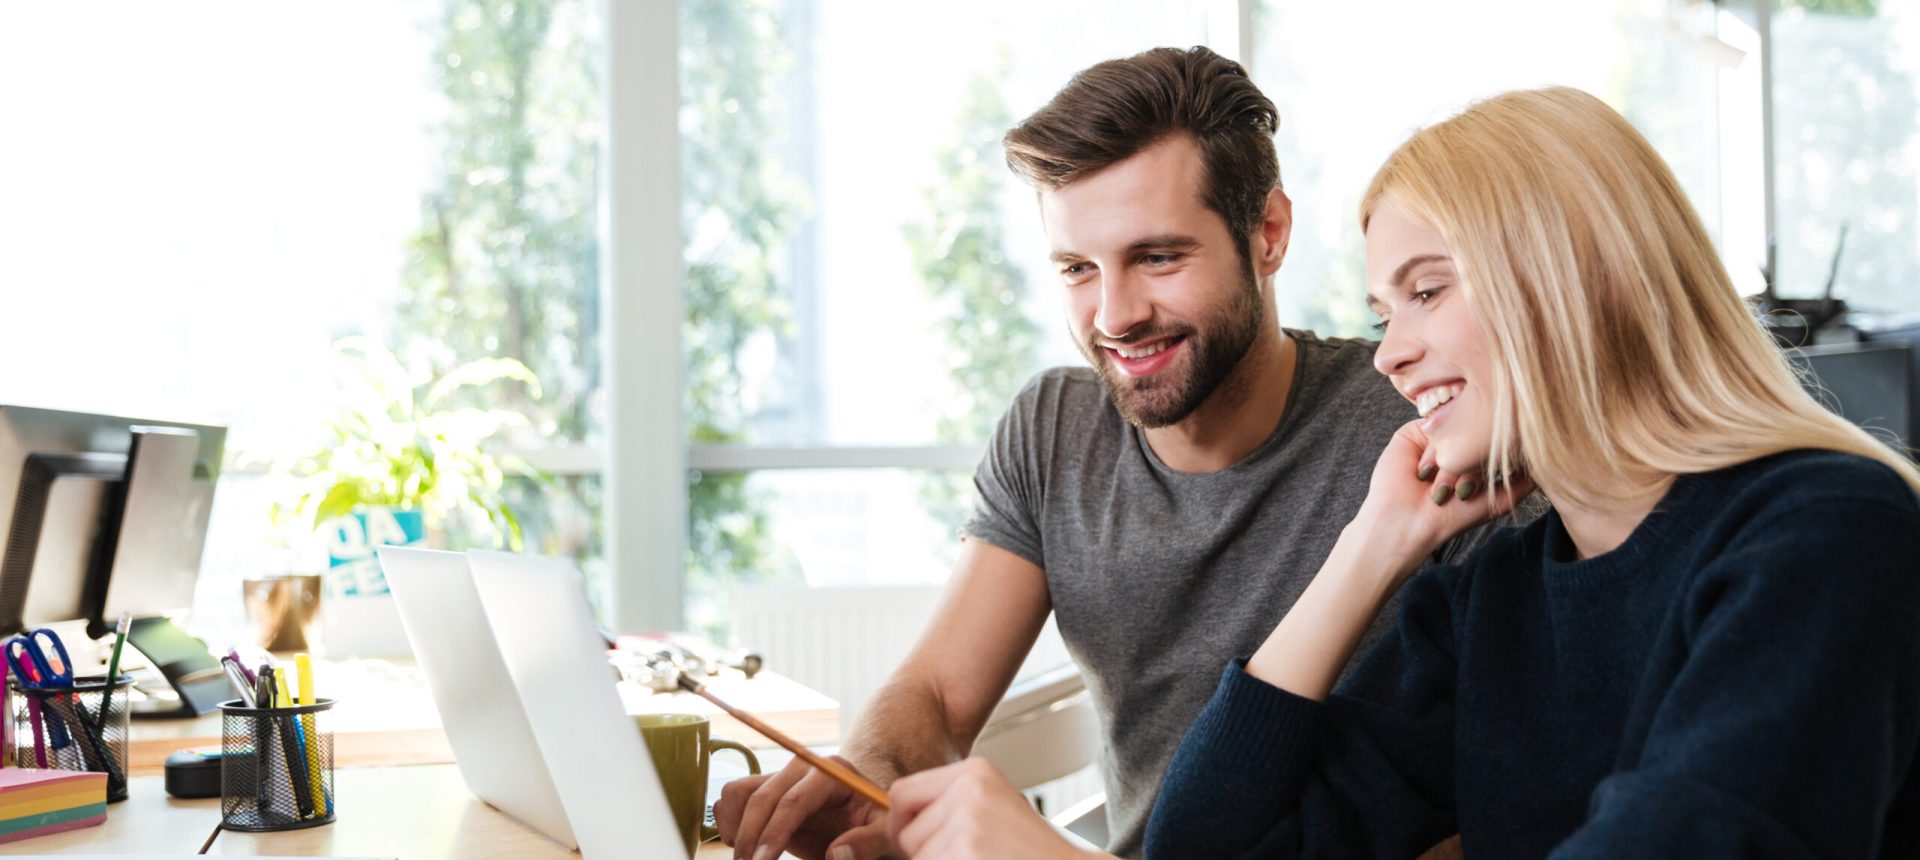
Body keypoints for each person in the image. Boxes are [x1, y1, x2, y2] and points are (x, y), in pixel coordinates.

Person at [882, 85, 1920, 859]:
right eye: (1385, 312)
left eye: (1428, 291)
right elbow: (1206, 847)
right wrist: (1370, 545)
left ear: (1572, 278)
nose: (1391, 352)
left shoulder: (1822, 531)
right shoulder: (1490, 598)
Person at [714, 47, 1505, 860]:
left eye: (1158, 257)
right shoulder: (1056, 429)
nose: (1115, 314)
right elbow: (939, 697)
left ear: (1267, 233)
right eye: (1077, 270)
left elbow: (1493, 814)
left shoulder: (1425, 426)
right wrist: (862, 777)